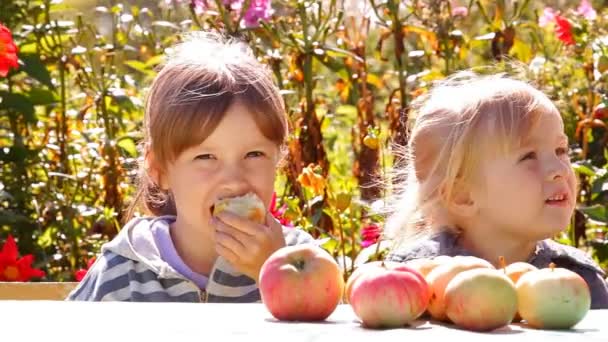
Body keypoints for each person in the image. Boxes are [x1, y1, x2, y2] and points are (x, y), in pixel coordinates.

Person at [67, 31, 314, 302]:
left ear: (277, 162)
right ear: (159, 170)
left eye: (254, 154)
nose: (233, 180)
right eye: (206, 157)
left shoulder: (302, 260)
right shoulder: (124, 272)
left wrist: (275, 274)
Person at [383, 70, 608, 309]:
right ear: (462, 195)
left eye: (561, 150)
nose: (559, 168)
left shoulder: (577, 280)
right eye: (528, 156)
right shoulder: (416, 281)